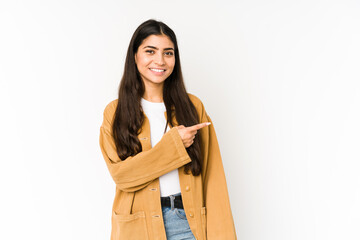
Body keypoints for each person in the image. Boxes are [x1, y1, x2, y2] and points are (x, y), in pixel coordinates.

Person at [99, 19, 237, 240]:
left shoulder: (193, 107)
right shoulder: (115, 112)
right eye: (150, 51)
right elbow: (122, 176)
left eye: (168, 53)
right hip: (137, 228)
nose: (160, 60)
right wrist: (173, 146)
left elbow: (214, 179)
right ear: (135, 56)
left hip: (189, 225)